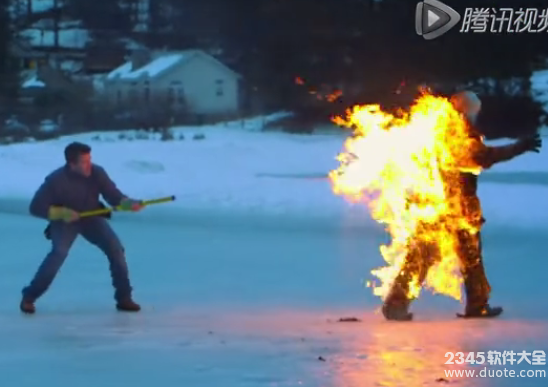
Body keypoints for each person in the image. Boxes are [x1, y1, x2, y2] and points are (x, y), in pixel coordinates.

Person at [382, 91, 542, 321]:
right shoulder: (454, 136)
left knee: (458, 259)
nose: (476, 116)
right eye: (473, 111)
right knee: (440, 258)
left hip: (440, 206)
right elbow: (482, 157)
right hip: (452, 209)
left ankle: (474, 305)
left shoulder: (436, 130)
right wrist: (518, 147)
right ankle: (397, 305)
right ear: (465, 112)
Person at [21, 142, 145, 314]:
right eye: (84, 162)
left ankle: (124, 298)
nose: (89, 165)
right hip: (65, 221)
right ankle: (29, 297)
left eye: (90, 160)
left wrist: (127, 203)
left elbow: (113, 196)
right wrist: (61, 212)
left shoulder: (97, 172)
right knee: (59, 253)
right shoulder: (56, 180)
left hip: (91, 217)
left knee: (116, 249)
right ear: (71, 164)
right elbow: (35, 207)